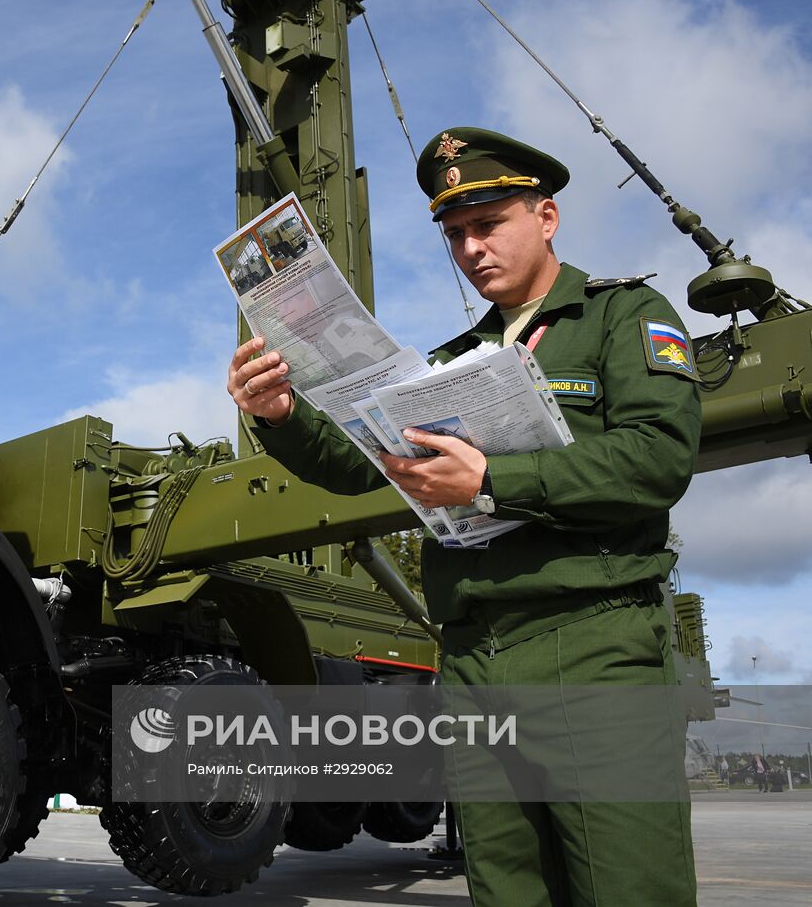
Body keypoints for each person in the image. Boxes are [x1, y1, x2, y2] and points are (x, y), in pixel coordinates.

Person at [228, 127, 701, 906]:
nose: (472, 248)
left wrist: (492, 479)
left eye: (489, 225)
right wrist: (281, 415)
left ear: (546, 217)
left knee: (630, 886)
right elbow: (357, 464)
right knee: (507, 890)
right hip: (475, 661)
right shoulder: (451, 363)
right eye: (455, 235)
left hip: (591, 644)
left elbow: (656, 460)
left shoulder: (622, 316)